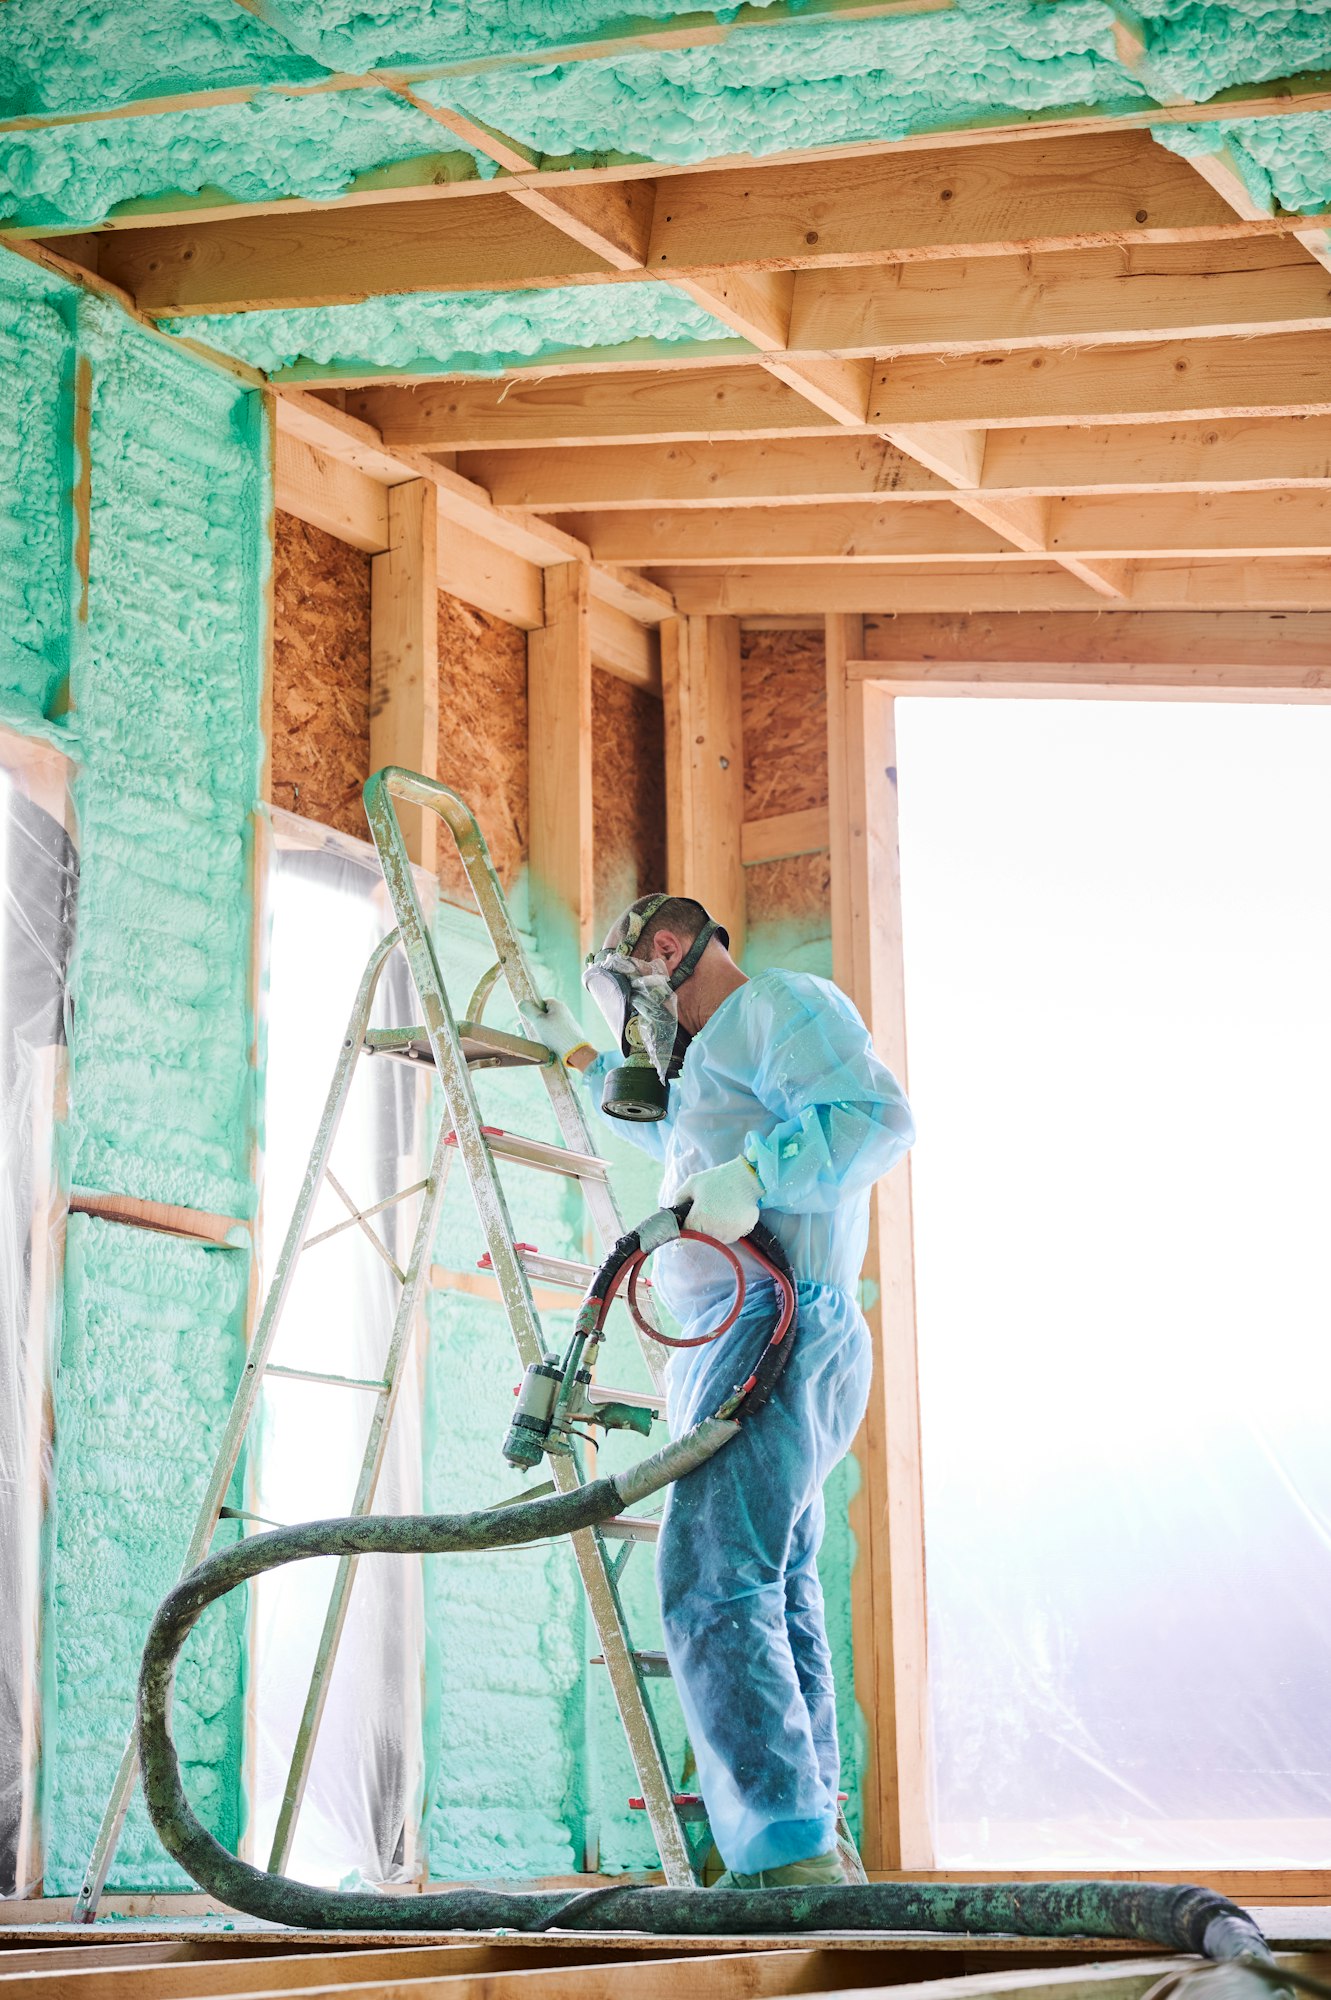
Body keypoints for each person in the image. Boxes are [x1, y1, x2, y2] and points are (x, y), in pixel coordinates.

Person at [521, 894, 914, 1889]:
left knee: (707, 1572)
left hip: (776, 1326)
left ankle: (784, 1852)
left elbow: (873, 1115)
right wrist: (581, 1062)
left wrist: (761, 1173)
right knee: (767, 1583)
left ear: (665, 949)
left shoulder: (779, 1005)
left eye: (626, 996)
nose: (633, 1024)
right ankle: (805, 1834)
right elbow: (692, 1152)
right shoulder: (710, 1064)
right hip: (737, 1338)